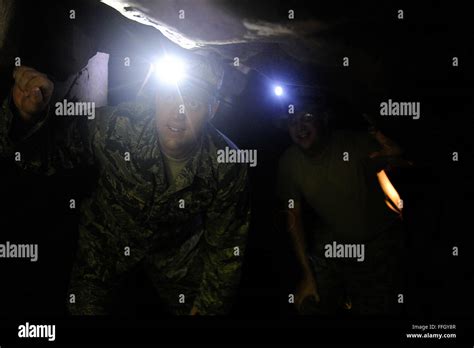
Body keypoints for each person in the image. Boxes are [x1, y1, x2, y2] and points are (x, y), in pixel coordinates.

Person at [0, 53, 250, 315]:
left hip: (174, 252)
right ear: (156, 97)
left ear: (213, 110)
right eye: (170, 96)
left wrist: (208, 308)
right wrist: (25, 118)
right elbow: (42, 156)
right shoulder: (119, 125)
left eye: (194, 102)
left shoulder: (227, 164)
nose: (178, 112)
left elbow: (226, 247)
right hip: (105, 242)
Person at [277, 95, 406, 316]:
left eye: (306, 118)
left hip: (379, 243)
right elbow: (293, 217)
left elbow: (397, 162)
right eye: (292, 121)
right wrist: (307, 275)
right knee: (308, 303)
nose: (300, 127)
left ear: (322, 119)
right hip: (334, 241)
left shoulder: (354, 143)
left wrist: (398, 157)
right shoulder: (289, 162)